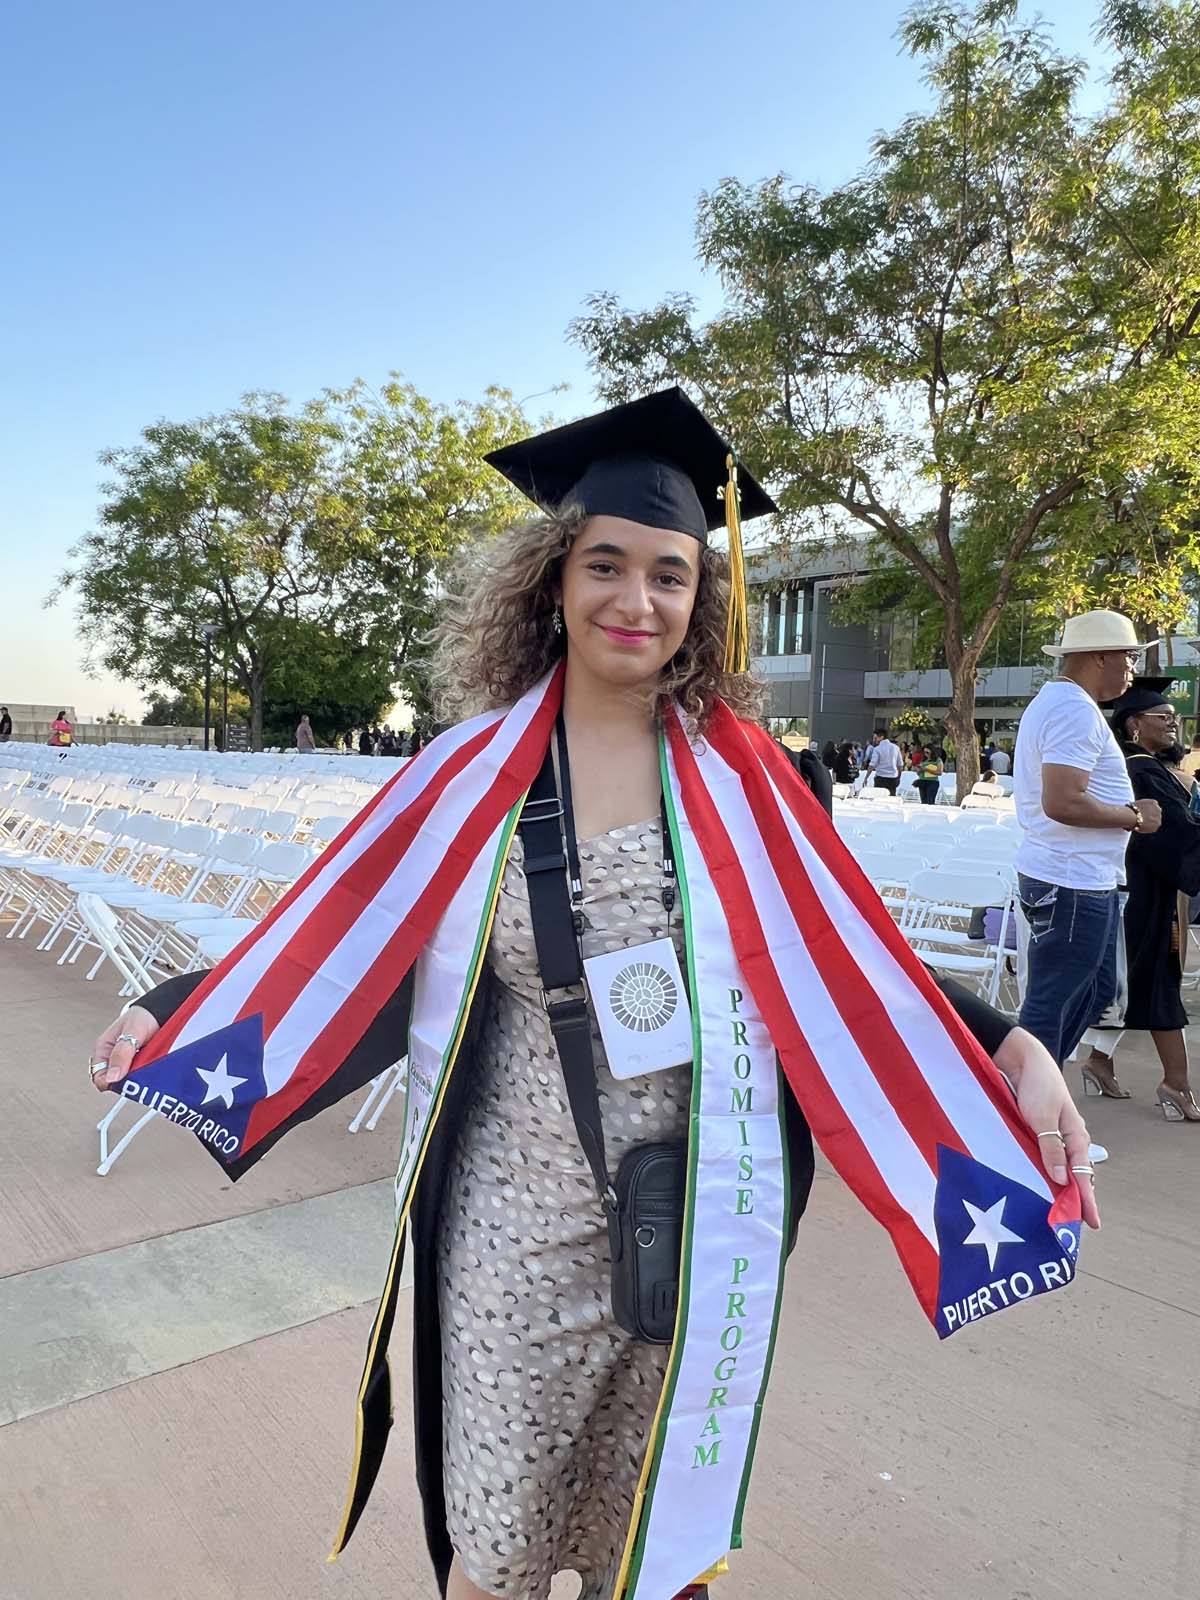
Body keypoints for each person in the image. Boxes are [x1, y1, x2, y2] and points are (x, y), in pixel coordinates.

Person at [87, 389, 1096, 1600]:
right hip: (514, 1220)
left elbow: (840, 955)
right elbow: (357, 940)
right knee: (499, 1539)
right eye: (606, 565)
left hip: (701, 1212)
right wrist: (180, 1002)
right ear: (552, 582)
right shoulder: (467, 775)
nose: (637, 600)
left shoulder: (759, 778)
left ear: (700, 603)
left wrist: (1005, 1044)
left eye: (670, 575)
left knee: (659, 1533)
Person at [1013, 612, 1163, 1151]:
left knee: (1092, 991)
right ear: (1099, 656)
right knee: (1053, 1002)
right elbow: (1063, 801)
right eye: (1127, 657)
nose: (1131, 668)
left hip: (1075, 877)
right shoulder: (1073, 710)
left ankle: (1039, 1105)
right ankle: (1027, 1124)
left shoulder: (1063, 705)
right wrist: (1133, 815)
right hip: (1071, 881)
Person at [1077, 683, 1200, 1121]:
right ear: (1134, 725)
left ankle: (1099, 1062)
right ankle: (1176, 1085)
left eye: (1173, 717)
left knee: (1135, 985)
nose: (1172, 723)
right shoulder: (1141, 771)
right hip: (1142, 896)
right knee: (1156, 985)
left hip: (1142, 890)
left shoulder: (1140, 768)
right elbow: (1175, 835)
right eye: (1162, 716)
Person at [865, 728, 902, 795]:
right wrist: (899, 777)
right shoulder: (896, 748)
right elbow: (900, 765)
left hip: (880, 778)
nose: (874, 740)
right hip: (893, 778)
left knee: (879, 799)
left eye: (875, 738)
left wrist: (866, 777)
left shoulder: (877, 749)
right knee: (891, 799)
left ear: (881, 737)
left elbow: (872, 765)